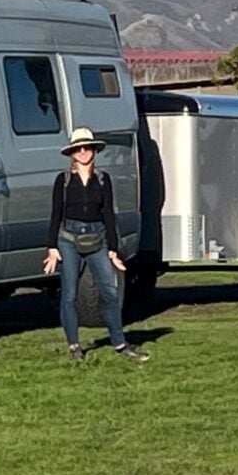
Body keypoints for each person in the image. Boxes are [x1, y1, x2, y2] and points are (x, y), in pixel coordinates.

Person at [43, 127, 150, 362]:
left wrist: (113, 250)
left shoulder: (103, 180)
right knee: (69, 295)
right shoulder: (63, 180)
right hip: (68, 239)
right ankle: (74, 346)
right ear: (72, 153)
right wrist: (52, 248)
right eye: (78, 148)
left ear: (94, 151)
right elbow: (55, 214)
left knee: (110, 293)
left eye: (87, 147)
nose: (83, 152)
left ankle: (121, 344)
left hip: (97, 239)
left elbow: (109, 214)